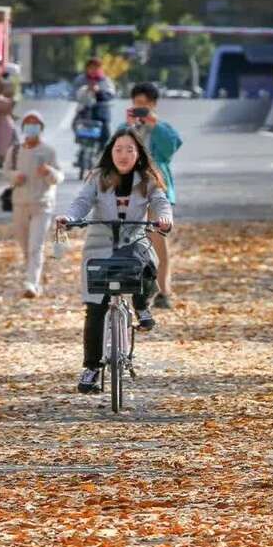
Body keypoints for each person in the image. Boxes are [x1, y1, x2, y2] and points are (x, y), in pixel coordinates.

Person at [55, 127, 172, 395]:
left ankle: (142, 306)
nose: (123, 154)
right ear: (110, 152)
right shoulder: (98, 177)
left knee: (148, 265)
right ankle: (92, 368)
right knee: (95, 308)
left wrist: (165, 219)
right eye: (118, 149)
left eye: (129, 149)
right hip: (100, 245)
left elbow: (161, 202)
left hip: (134, 241)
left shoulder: (147, 179)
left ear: (138, 153)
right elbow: (81, 203)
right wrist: (69, 219)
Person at [126, 81, 182, 308]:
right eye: (136, 104)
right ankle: (137, 287)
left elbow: (169, 150)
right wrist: (130, 126)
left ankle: (163, 290)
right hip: (130, 190)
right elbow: (115, 150)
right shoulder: (127, 128)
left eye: (144, 104)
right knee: (132, 239)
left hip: (157, 189)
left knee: (158, 240)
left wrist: (154, 125)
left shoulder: (163, 128)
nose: (140, 108)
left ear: (153, 104)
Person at [3, 109, 64, 299]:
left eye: (35, 123)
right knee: (25, 245)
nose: (32, 126)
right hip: (20, 203)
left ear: (41, 128)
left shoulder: (48, 151)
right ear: (23, 128)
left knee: (35, 245)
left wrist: (49, 172)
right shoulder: (14, 151)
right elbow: (5, 171)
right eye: (28, 122)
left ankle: (32, 283)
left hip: (42, 205)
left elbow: (59, 177)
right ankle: (34, 274)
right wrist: (15, 176)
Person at [72, 56, 115, 149]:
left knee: (106, 133)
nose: (93, 70)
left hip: (101, 111)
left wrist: (98, 92)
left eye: (96, 68)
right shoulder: (80, 80)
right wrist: (85, 91)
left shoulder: (105, 80)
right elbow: (74, 94)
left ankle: (101, 152)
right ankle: (82, 146)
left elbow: (110, 95)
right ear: (87, 68)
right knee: (75, 124)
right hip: (84, 111)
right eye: (91, 67)